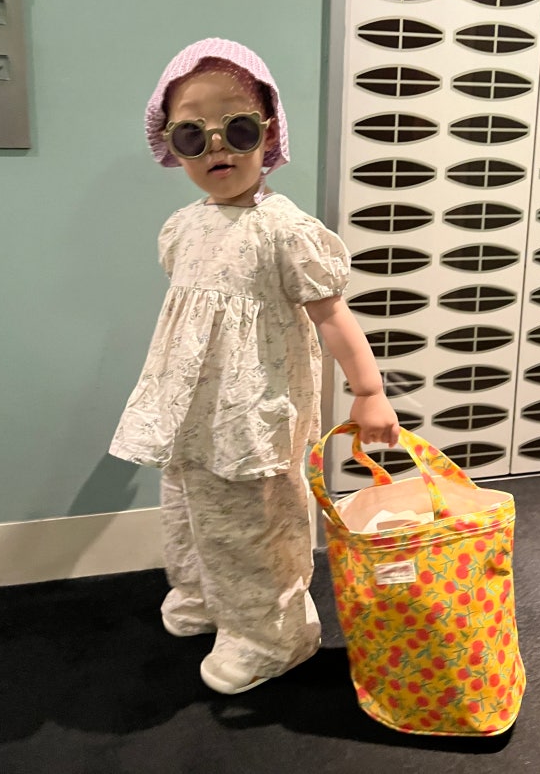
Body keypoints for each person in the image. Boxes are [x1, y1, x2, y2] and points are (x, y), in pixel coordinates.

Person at [110, 37, 399, 695]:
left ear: (268, 134)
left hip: (253, 413)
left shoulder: (285, 231)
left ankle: (270, 633)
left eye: (237, 129)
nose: (217, 147)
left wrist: (369, 390)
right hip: (190, 409)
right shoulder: (184, 227)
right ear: (171, 144)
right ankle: (206, 594)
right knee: (189, 508)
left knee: (252, 522)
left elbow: (332, 315)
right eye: (192, 135)